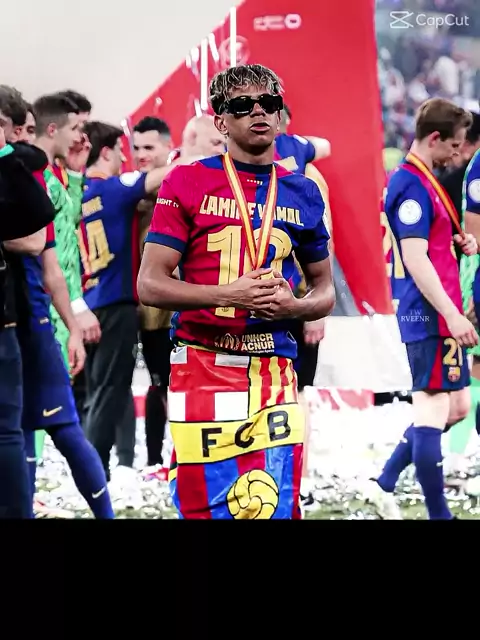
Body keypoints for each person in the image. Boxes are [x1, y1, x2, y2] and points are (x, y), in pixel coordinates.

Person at [138, 63, 335, 520]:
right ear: (221, 122)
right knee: (206, 509)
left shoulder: (303, 190)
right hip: (201, 363)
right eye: (243, 104)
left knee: (272, 505)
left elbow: (325, 288)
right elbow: (150, 284)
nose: (258, 111)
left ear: (281, 115)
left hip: (273, 369)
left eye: (269, 103)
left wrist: (297, 306)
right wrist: (230, 295)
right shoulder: (186, 180)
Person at [367, 98, 477, 520]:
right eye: (455, 144)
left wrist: (458, 242)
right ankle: (438, 514)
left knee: (457, 408)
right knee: (432, 408)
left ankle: (384, 482)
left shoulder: (425, 180)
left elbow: (429, 244)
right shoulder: (410, 184)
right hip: (429, 312)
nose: (458, 153)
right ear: (435, 138)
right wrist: (451, 314)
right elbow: (415, 258)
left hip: (441, 309)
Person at [80, 121, 198, 482]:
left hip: (91, 303)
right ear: (107, 153)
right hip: (120, 304)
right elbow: (159, 177)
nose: (130, 158)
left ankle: (124, 462)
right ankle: (96, 470)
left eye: (147, 149)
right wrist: (195, 154)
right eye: (126, 151)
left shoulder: (81, 192)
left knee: (101, 391)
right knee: (112, 392)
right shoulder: (117, 189)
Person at [134, 115, 225, 478]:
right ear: (190, 140)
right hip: (162, 309)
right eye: (215, 142)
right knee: (165, 384)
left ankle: (177, 460)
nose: (222, 148)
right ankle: (167, 461)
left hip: (199, 306)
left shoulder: (214, 179)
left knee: (185, 385)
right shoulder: (170, 178)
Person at [33, 93, 101, 466]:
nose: (81, 137)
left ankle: (31, 475)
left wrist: (75, 174)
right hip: (47, 303)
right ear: (52, 129)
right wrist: (75, 304)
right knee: (46, 398)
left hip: (54, 302)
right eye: (76, 127)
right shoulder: (35, 177)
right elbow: (55, 253)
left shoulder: (52, 176)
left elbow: (67, 226)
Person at [0, 86, 56, 518]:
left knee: (9, 431)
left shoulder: (14, 165)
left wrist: (7, 154)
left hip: (10, 319)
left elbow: (38, 221)